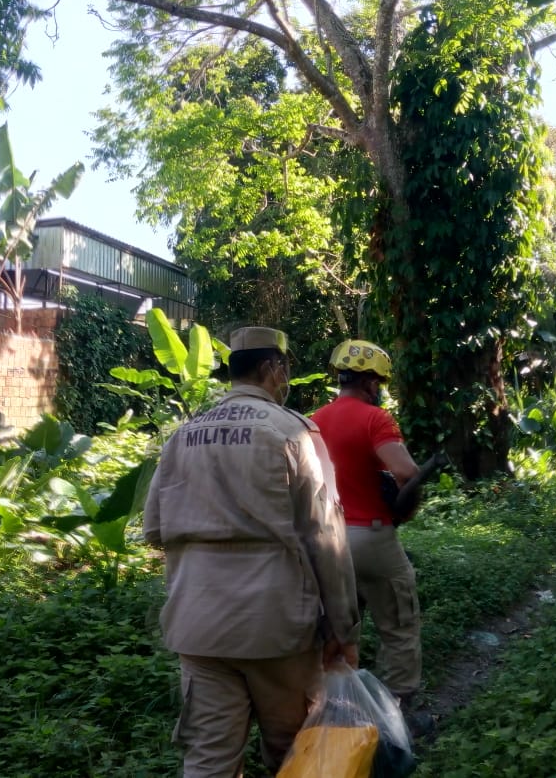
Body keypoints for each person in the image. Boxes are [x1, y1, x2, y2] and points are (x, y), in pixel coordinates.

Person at [144, 326, 361, 778]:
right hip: (276, 627)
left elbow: (154, 529)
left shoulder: (181, 436)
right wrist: (344, 628)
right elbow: (326, 537)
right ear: (271, 368)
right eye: (285, 369)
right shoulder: (294, 433)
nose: (285, 378)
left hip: (198, 626)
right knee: (295, 751)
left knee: (209, 758)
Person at [311, 339, 424, 708]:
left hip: (327, 540)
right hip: (372, 537)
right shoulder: (376, 418)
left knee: (337, 627)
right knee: (399, 623)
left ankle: (333, 705)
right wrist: (406, 507)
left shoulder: (312, 422)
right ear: (371, 383)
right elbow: (406, 471)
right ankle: (398, 710)